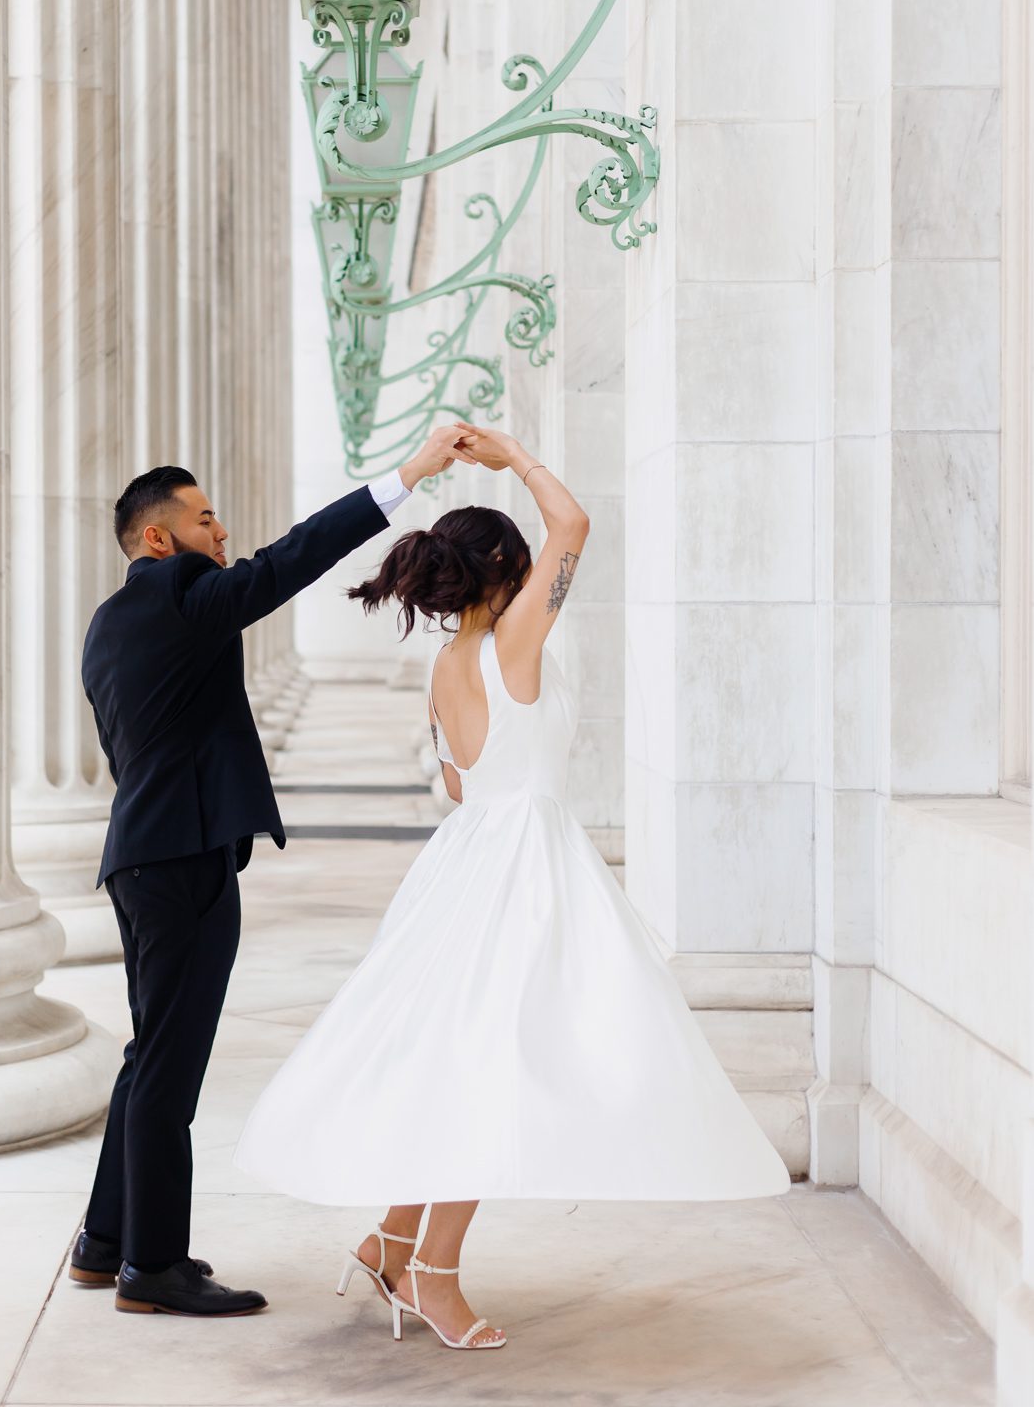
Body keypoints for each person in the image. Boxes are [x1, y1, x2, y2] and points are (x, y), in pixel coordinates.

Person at [234, 423, 791, 1352]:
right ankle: (431, 1275)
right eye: (528, 567)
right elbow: (572, 521)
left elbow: (457, 784)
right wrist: (510, 457)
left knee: (460, 1062)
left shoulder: (448, 665)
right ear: (507, 572)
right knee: (489, 1074)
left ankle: (389, 1243)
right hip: (522, 868)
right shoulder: (516, 639)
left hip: (464, 864)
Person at [70, 424, 474, 1318]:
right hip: (182, 863)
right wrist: (405, 478)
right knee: (170, 1069)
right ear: (157, 539)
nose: (225, 535)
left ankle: (105, 1242)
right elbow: (291, 560)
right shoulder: (183, 594)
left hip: (139, 859)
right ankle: (153, 1266)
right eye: (207, 519)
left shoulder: (109, 623)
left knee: (148, 1056)